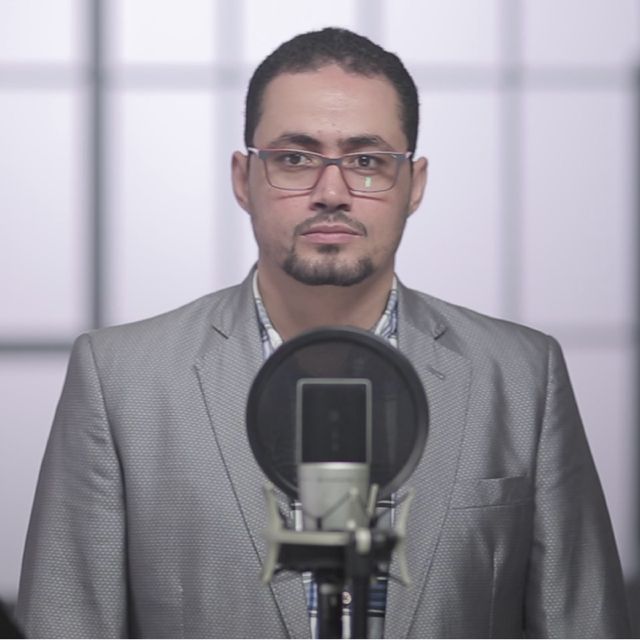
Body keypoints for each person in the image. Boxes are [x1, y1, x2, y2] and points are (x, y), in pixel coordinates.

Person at [17, 27, 630, 638]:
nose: (331, 193)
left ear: (414, 184)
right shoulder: (122, 379)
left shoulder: (521, 376)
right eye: (295, 159)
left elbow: (583, 625)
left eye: (366, 161)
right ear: (243, 178)